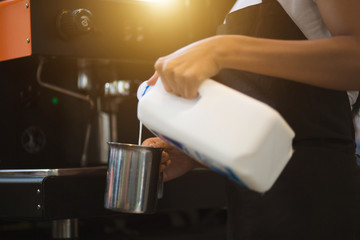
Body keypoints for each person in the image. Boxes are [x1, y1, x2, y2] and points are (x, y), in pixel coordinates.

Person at [142, 0, 360, 239]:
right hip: (252, 206)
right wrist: (196, 151)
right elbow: (271, 110)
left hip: (313, 195)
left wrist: (221, 49)